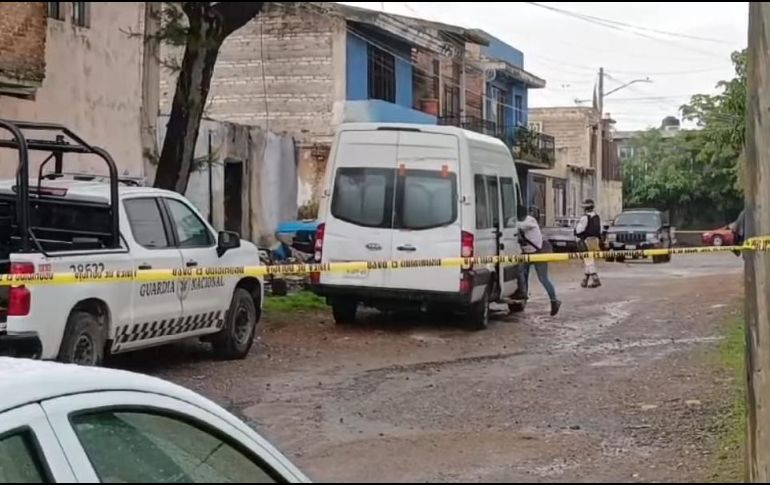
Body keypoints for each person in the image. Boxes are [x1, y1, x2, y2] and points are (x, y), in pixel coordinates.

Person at [516, 205, 561, 316]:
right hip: (527, 253)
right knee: (521, 273)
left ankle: (554, 300)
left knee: (543, 278)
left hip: (538, 253)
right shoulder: (523, 221)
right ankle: (523, 295)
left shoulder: (529, 221)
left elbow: (518, 226)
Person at [575, 199, 602, 288]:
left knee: (588, 260)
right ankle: (585, 280)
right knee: (589, 259)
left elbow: (579, 230)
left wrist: (576, 230)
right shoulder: (597, 216)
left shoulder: (585, 217)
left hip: (586, 241)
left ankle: (595, 278)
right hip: (595, 240)